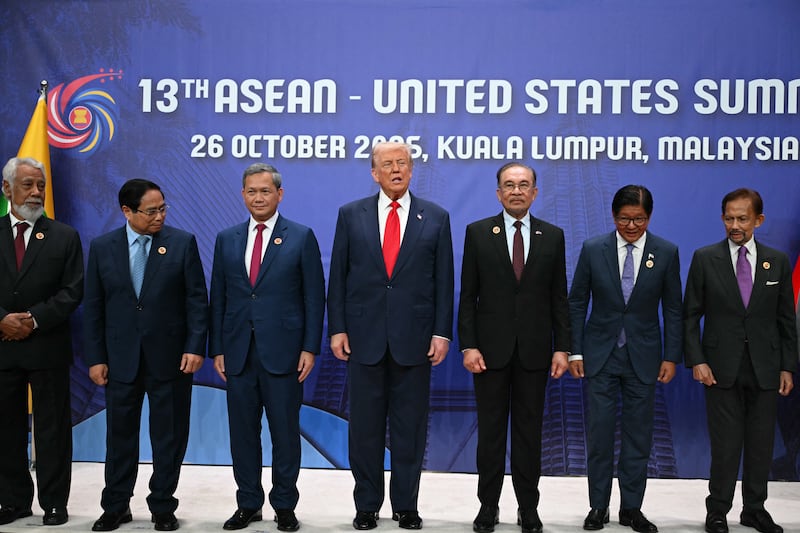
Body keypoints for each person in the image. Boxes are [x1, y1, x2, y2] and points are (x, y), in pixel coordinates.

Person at [328, 141, 454, 531]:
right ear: (374, 172)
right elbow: (339, 278)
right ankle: (366, 505)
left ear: (412, 170)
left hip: (414, 340)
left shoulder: (435, 217)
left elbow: (444, 282)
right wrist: (338, 328)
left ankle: (406, 505)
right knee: (364, 428)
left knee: (409, 427)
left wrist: (441, 333)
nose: (396, 169)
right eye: (388, 164)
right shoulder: (351, 215)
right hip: (364, 338)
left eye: (403, 163)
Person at [83, 179, 208, 532]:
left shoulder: (182, 243)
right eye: (151, 211)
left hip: (171, 359)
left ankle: (163, 506)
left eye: (163, 208)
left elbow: (197, 300)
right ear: (127, 211)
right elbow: (94, 308)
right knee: (119, 436)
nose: (159, 216)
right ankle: (116, 505)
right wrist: (96, 357)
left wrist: (195, 346)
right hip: (120, 360)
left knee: (168, 437)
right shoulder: (103, 247)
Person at [209, 163, 325, 532]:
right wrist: (218, 348)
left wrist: (310, 347)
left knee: (285, 433)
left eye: (265, 191)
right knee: (242, 434)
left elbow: (313, 297)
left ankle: (285, 505)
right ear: (243, 195)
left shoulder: (301, 236)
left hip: (285, 353)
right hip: (238, 353)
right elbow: (219, 297)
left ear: (280, 194)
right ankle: (248, 503)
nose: (258, 198)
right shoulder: (227, 238)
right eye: (251, 191)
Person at [458, 162, 570, 533]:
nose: (517, 191)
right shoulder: (477, 233)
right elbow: (468, 296)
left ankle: (528, 508)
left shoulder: (552, 236)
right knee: (490, 435)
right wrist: (468, 345)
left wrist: (562, 348)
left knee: (528, 435)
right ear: (498, 193)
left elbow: (559, 298)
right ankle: (488, 506)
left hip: (535, 353)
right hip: (489, 354)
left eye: (524, 185)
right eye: (509, 185)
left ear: (535, 193)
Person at [567, 185, 682, 533]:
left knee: (638, 436)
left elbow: (674, 308)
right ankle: (598, 506)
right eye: (624, 219)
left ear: (649, 217)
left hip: (644, 357)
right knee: (599, 435)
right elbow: (576, 302)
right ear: (613, 216)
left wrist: (671, 356)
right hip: (600, 355)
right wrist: (576, 350)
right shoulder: (593, 249)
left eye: (639, 219)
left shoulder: (665, 252)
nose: (631, 226)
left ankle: (631, 508)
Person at [684, 188, 797, 533]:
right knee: (726, 445)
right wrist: (697, 360)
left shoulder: (776, 261)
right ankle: (717, 510)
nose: (735, 225)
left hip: (765, 367)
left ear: (758, 220)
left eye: (742, 218)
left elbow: (786, 321)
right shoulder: (705, 258)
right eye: (729, 218)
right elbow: (690, 316)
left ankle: (755, 509)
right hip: (719, 369)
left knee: (761, 444)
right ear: (722, 218)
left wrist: (787, 366)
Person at [0, 157, 83, 526]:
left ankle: (54, 503)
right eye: (28, 185)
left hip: (47, 346)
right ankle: (13, 500)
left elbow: (73, 291)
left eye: (41, 186)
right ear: (7, 189)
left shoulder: (65, 236)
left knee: (52, 432)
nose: (36, 193)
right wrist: (2, 320)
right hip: (2, 346)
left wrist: (32, 320)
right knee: (6, 430)